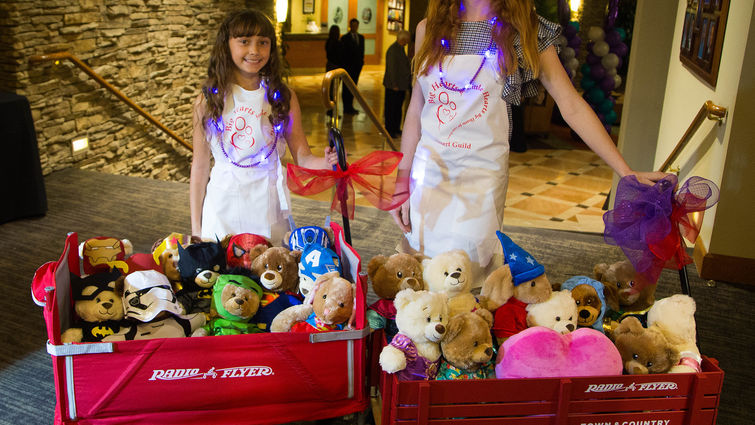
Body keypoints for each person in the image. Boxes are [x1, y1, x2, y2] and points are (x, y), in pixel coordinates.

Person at [388, 0, 668, 281]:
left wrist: (625, 171)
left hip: (479, 181)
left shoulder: (523, 31)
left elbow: (569, 103)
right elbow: (417, 107)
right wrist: (402, 180)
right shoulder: (429, 27)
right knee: (420, 272)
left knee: (465, 276)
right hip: (428, 175)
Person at [191, 9, 337, 244]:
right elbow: (199, 167)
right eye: (244, 42)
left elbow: (304, 157)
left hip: (267, 207)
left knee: (268, 274)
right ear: (227, 45)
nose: (254, 51)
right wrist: (196, 228)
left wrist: (328, 161)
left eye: (263, 42)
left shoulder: (282, 97)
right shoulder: (209, 100)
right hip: (222, 206)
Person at [383, 30, 412, 139]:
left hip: (401, 85)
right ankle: (390, 130)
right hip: (394, 86)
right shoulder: (393, 50)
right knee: (391, 109)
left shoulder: (400, 49)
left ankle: (395, 128)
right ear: (403, 39)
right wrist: (394, 84)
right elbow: (391, 69)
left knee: (398, 108)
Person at [340, 18, 365, 114]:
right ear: (350, 26)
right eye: (353, 25)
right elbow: (343, 54)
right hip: (348, 67)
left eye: (356, 26)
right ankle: (346, 107)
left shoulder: (361, 38)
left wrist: (361, 63)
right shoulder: (345, 38)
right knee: (346, 88)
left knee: (354, 87)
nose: (355, 27)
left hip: (357, 67)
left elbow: (361, 52)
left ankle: (350, 106)